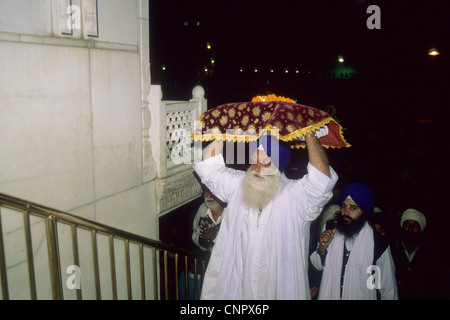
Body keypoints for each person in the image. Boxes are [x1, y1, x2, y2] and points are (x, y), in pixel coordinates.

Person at [193, 130, 338, 300]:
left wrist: (311, 136)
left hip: (280, 291)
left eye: (265, 162)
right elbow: (209, 169)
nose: (256, 168)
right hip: (238, 290)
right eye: (254, 161)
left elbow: (321, 182)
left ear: (279, 165)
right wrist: (227, 131)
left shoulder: (295, 196)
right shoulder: (239, 185)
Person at [310, 182, 398, 300]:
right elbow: (317, 265)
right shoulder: (330, 228)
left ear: (364, 211)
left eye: (353, 208)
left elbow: (387, 288)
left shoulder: (378, 243)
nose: (346, 212)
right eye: (344, 206)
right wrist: (322, 248)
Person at [391, 208, 434, 300]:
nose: (410, 228)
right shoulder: (392, 250)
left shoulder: (429, 254)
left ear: (421, 229)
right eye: (407, 224)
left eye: (415, 225)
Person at [192, 187, 226, 255]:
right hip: (209, 258)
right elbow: (195, 233)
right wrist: (203, 239)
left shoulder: (231, 214)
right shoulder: (203, 209)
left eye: (212, 193)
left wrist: (215, 237)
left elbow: (237, 244)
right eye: (206, 192)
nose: (208, 196)